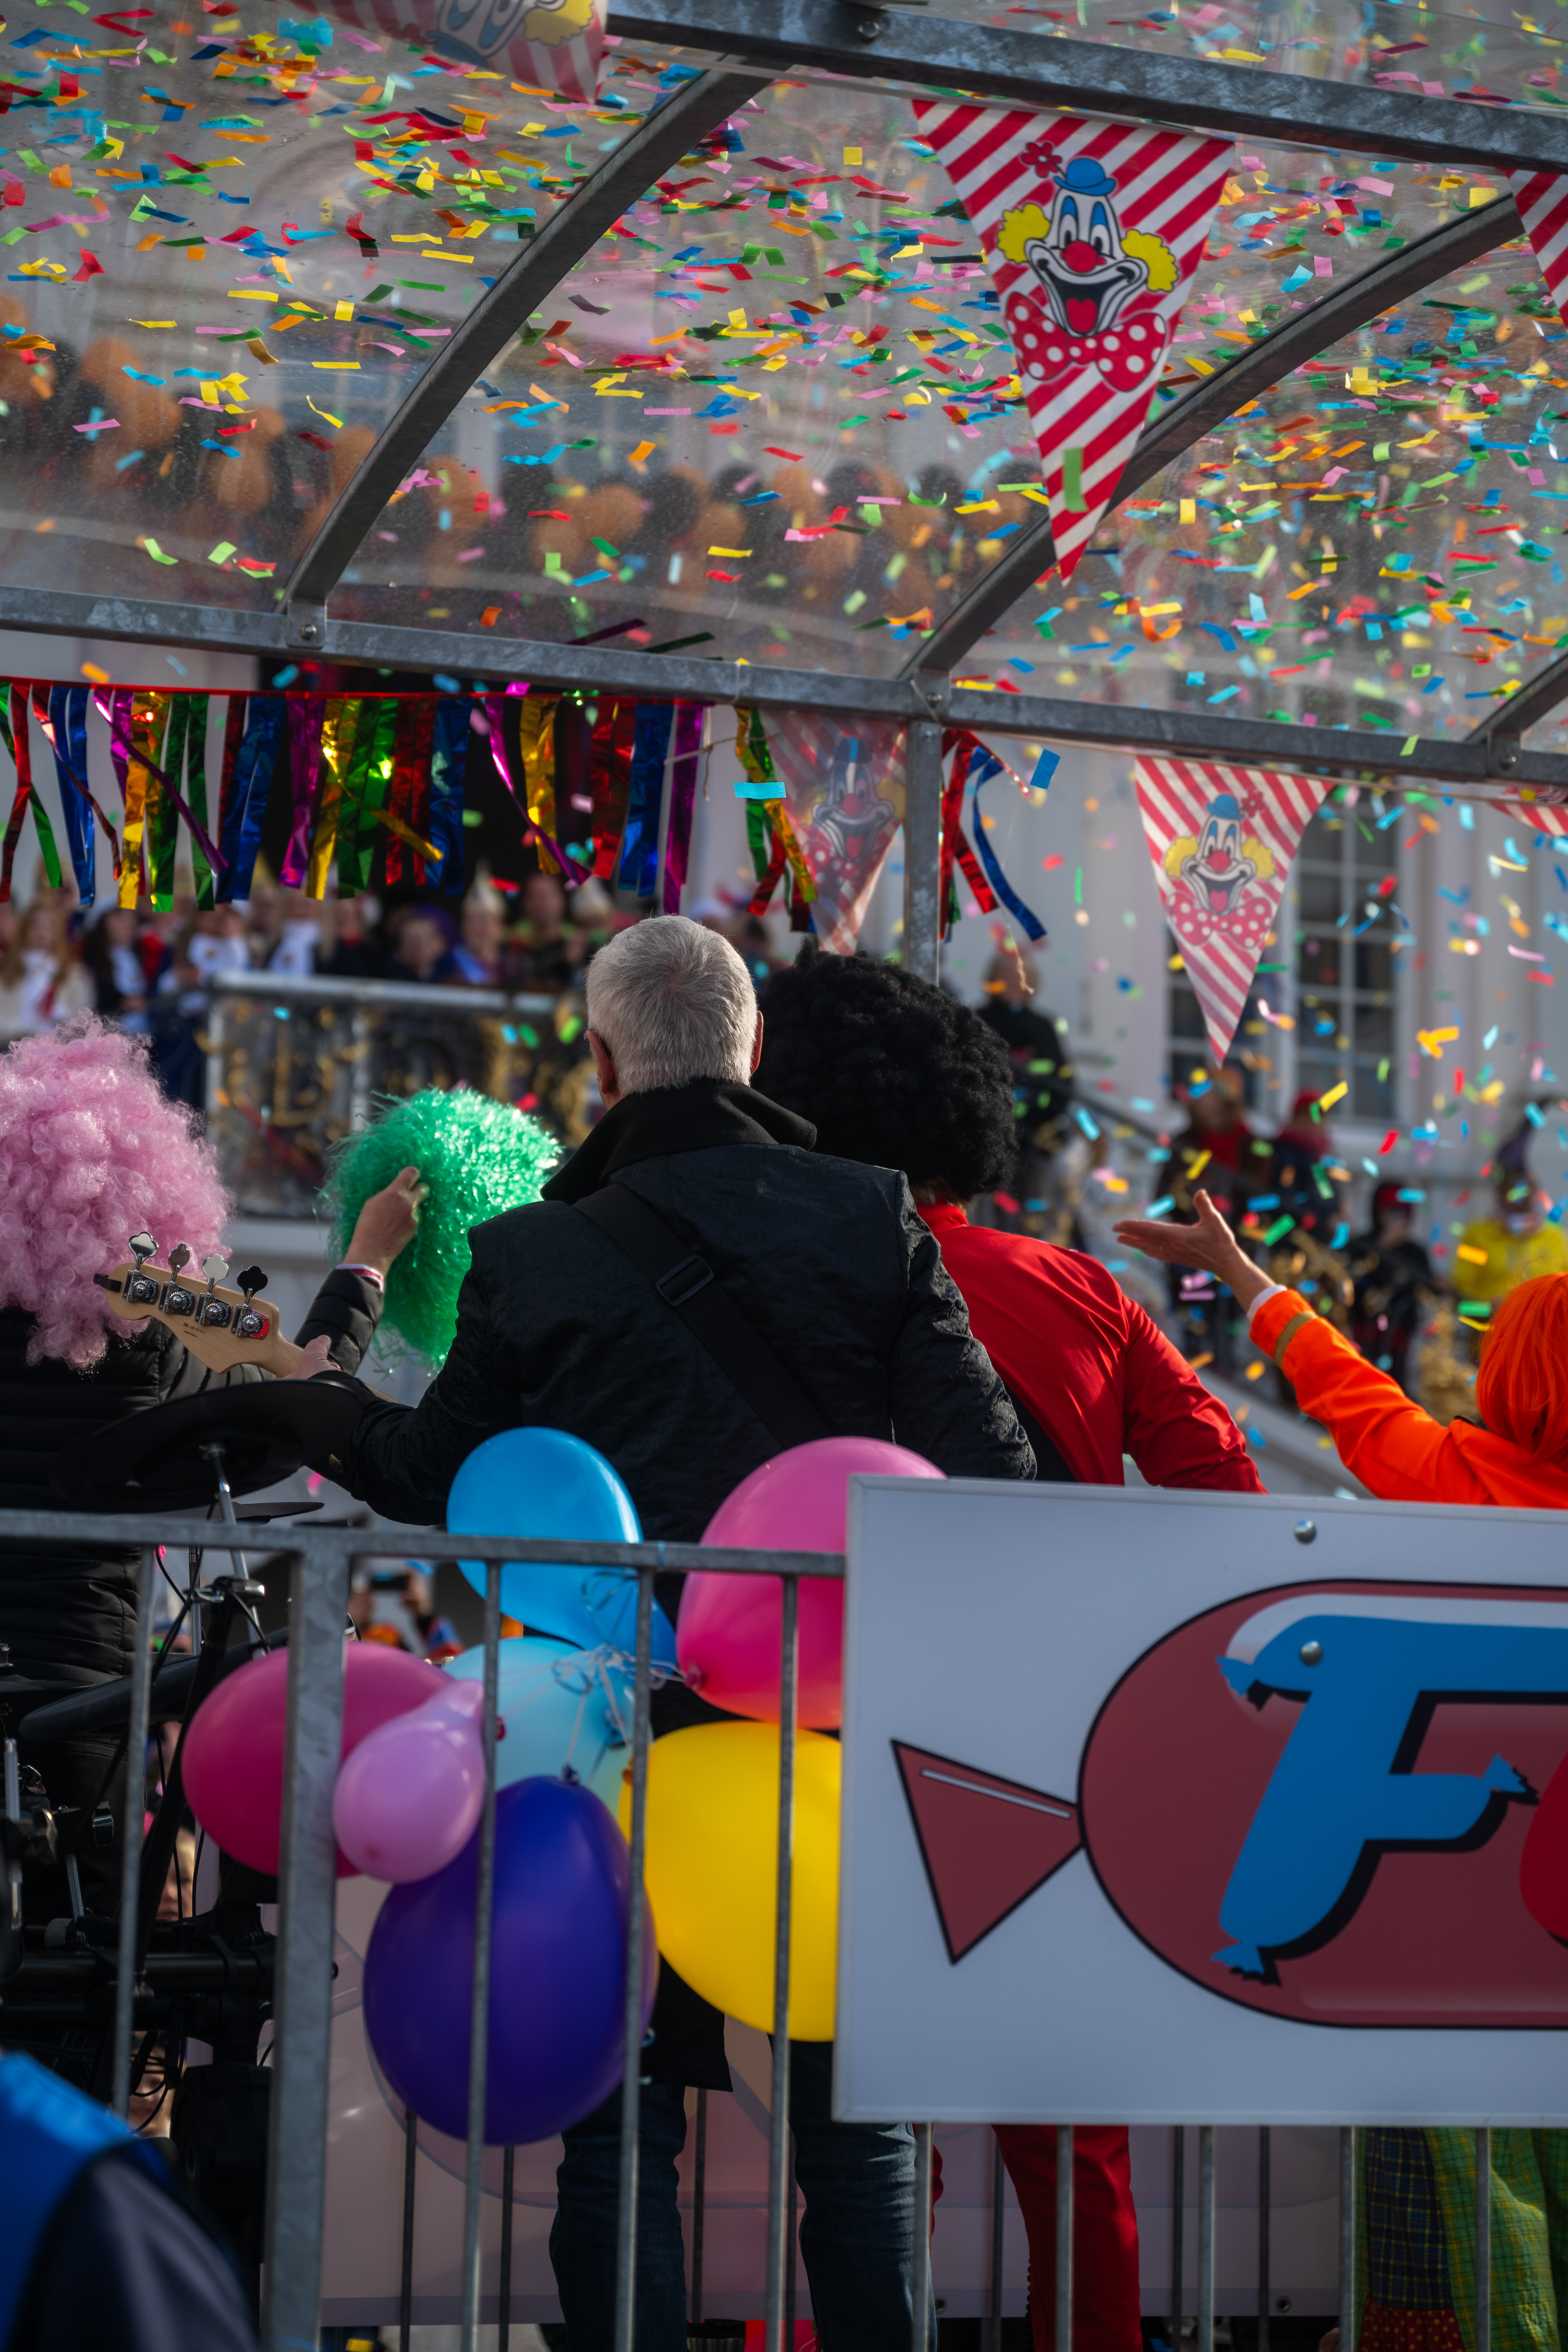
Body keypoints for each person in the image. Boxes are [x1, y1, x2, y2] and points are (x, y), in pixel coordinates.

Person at [318, 913, 1034, 2352]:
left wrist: (318, 1367)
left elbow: (427, 1476)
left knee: (617, 2117)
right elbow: (991, 1477)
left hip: (610, 1716)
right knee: (854, 2121)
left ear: (598, 1060)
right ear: (752, 1045)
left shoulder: (531, 1252)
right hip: (831, 1723)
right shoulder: (871, 1210)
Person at [755, 945, 1261, 2352]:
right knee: (1071, 2147)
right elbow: (1225, 1489)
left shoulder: (798, 1284)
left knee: (860, 2139)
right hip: (1060, 1733)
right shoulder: (1081, 1288)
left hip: (844, 1732)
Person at [1115, 1184, 1568, 2352]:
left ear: (1519, 1378)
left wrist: (1256, 1288)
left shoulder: (1459, 1480)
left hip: (1466, 1920)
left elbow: (1348, 1395)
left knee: (1466, 2175)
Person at [0, 1016, 421, 1948]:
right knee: (87, 1960)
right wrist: (365, 1263)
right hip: (79, 1692)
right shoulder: (141, 1341)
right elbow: (297, 1403)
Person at [0, 2050, 258, 2350]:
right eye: (136, 2078)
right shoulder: (93, 2181)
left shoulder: (115, 2178)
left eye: (157, 2081)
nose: (146, 2094)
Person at [976, 949, 1076, 1239]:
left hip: (1035, 1141)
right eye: (1007, 975)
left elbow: (1063, 1083)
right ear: (993, 979)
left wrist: (1037, 1118)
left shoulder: (1043, 1027)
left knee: (1035, 1218)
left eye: (1022, 977)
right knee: (989, 1221)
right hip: (988, 1141)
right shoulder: (978, 1021)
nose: (1015, 982)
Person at [1456, 1125, 1568, 1308]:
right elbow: (1460, 1302)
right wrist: (1490, 1309)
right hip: (1493, 1333)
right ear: (1500, 1192)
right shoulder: (1476, 1236)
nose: (1522, 1196)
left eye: (1527, 1188)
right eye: (1514, 1188)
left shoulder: (1555, 1237)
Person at [1348, 1181, 1437, 1392]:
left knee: (1394, 1389)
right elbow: (1353, 1279)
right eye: (1391, 1211)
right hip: (1361, 1334)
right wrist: (1384, 1247)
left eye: (1402, 1211)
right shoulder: (1362, 1244)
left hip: (1399, 1340)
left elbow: (1430, 1290)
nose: (1397, 1217)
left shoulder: (1415, 1253)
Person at [0, 901, 93, 1042]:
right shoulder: (8, 971)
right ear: (24, 930)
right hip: (13, 1044)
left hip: (58, 1046)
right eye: (35, 926)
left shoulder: (74, 974)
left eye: (48, 927)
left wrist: (60, 1013)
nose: (41, 932)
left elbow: (83, 1018)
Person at [80, 907, 152, 1031]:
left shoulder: (140, 952)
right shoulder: (91, 958)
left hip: (144, 1029)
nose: (129, 924)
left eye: (132, 919)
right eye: (122, 919)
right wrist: (121, 1002)